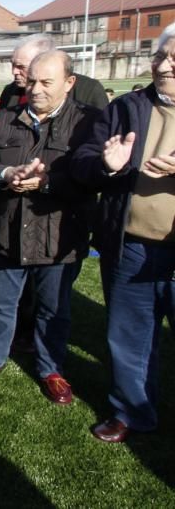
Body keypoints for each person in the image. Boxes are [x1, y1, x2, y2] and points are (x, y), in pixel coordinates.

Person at [0, 50, 98, 404]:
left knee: (53, 309)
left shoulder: (89, 122)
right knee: (1, 302)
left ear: (69, 83)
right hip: (8, 229)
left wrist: (47, 183)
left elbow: (91, 177)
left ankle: (50, 367)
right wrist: (5, 174)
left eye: (46, 82)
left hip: (59, 236)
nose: (36, 89)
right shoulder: (5, 117)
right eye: (32, 81)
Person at [71, 23, 175, 443]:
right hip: (130, 246)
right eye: (160, 56)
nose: (164, 65)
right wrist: (106, 165)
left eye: (174, 60)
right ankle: (132, 412)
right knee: (129, 338)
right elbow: (84, 160)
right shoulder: (127, 107)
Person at [0, 34, 108, 110]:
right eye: (13, 64)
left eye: (21, 66)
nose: (14, 71)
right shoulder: (10, 92)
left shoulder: (89, 90)